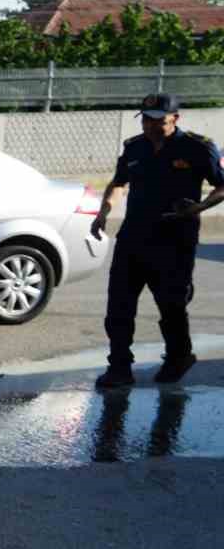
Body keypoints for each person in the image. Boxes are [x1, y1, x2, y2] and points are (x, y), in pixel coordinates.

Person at [91, 93, 224, 388]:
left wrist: (198, 207)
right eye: (147, 120)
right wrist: (104, 212)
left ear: (175, 118)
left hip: (175, 239)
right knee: (118, 306)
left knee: (172, 305)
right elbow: (119, 183)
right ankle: (120, 367)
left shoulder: (197, 147)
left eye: (158, 121)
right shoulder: (134, 148)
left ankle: (179, 356)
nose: (151, 126)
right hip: (133, 237)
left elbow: (221, 185)